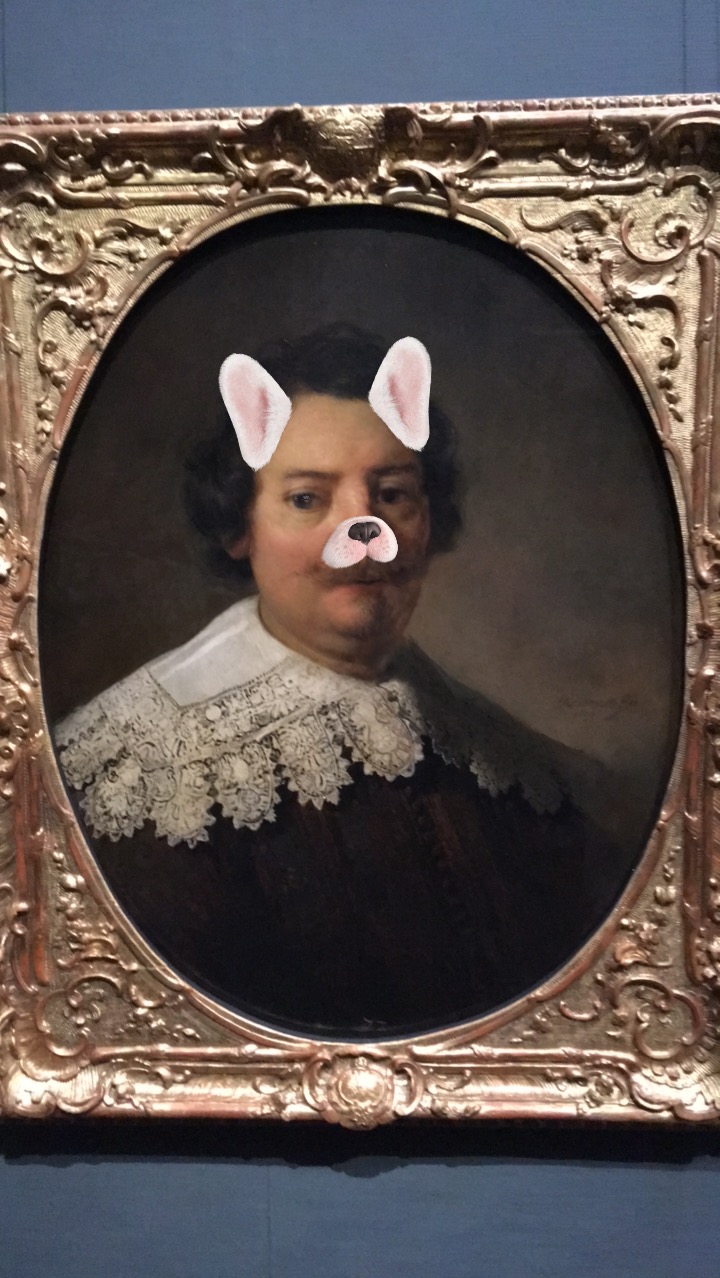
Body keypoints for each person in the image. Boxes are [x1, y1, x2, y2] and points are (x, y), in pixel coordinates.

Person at [55, 324, 629, 1038]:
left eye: (392, 493)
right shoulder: (141, 771)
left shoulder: (514, 766)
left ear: (428, 518)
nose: (361, 529)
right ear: (240, 526)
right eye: (306, 499)